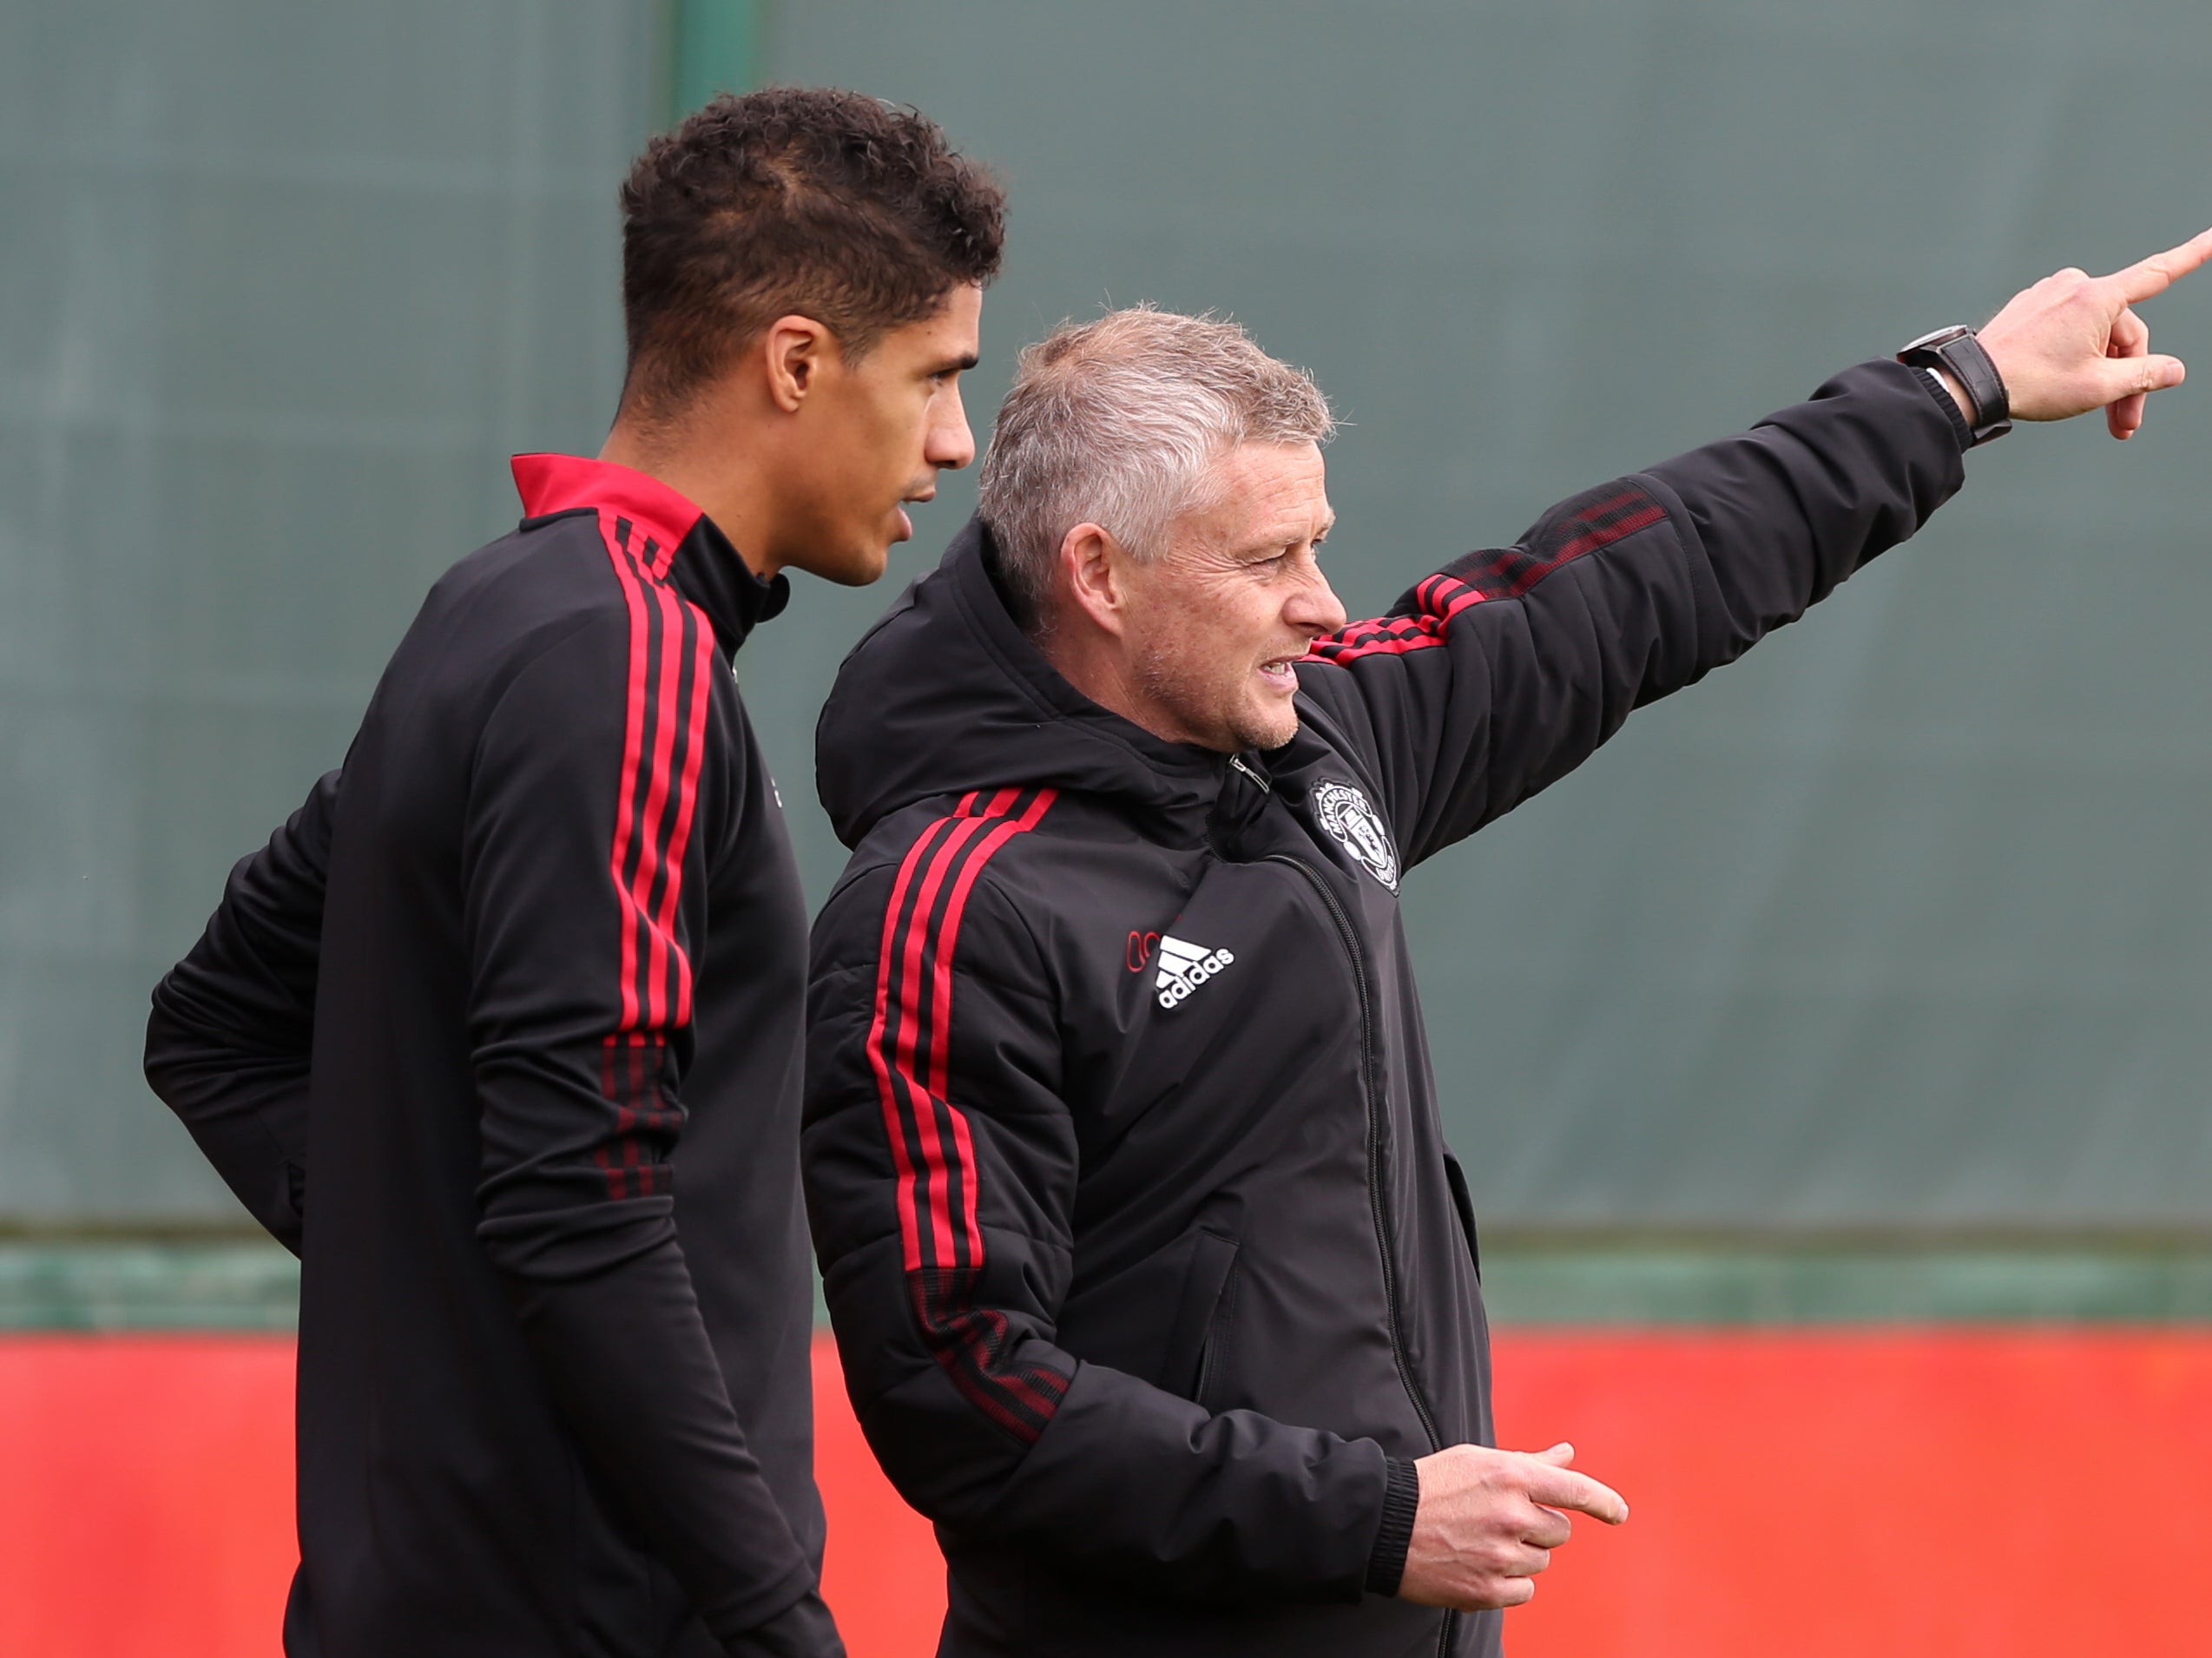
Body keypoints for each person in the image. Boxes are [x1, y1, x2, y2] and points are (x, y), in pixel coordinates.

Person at [800, 232, 2212, 1657]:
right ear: (1100, 575)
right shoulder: (947, 901)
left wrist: (1955, 385)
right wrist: (1370, 1514)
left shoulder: (1318, 743)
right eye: (1270, 556)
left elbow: (1627, 582)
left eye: (1321, 542)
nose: (1323, 601)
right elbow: (965, 1392)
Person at [142, 88, 1002, 1657]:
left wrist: (442, 1320)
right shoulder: (629, 661)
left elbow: (212, 1027)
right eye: (937, 377)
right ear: (798, 363)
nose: (956, 440)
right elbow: (580, 1199)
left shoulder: (495, 614)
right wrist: (774, 1618)